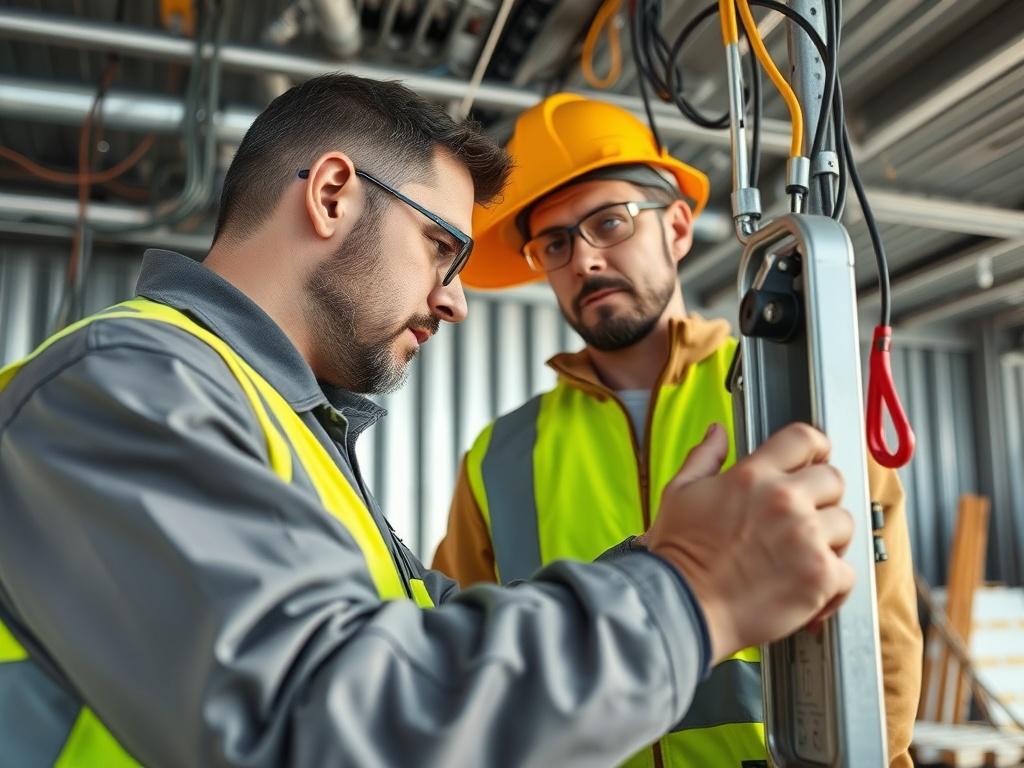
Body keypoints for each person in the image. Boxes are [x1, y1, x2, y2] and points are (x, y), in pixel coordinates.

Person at [0, 75, 856, 768]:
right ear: (333, 194)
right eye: (443, 247)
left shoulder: (284, 423)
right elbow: (331, 724)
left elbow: (426, 640)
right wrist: (692, 591)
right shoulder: (124, 383)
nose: (456, 303)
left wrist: (663, 561)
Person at [434, 93, 923, 768]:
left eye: (610, 222)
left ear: (679, 228)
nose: (584, 261)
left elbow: (882, 631)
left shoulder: (800, 391)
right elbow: (461, 651)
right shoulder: (500, 457)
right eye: (554, 242)